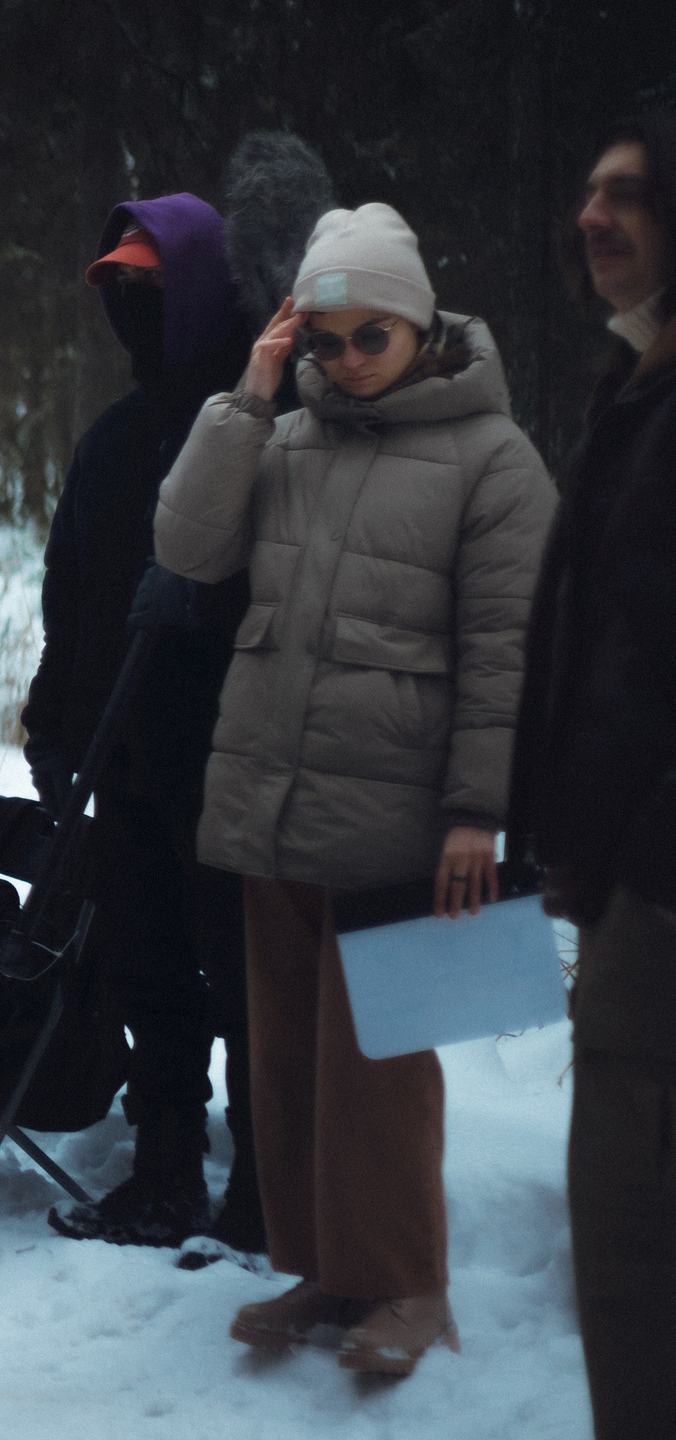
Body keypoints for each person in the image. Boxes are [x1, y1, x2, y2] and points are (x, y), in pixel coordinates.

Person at [155, 203, 555, 1375]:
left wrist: (476, 811)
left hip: (403, 810)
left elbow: (506, 654)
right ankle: (325, 1272)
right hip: (277, 796)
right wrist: (247, 394)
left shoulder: (495, 460)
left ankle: (409, 1286)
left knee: (381, 1067)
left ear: (418, 327)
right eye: (320, 340)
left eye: (362, 338)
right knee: (284, 1058)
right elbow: (184, 550)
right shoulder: (284, 440)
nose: (339, 362)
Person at [23, 193, 261, 1252]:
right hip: (116, 751)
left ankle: (262, 1178)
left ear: (203, 288)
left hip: (228, 750)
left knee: (242, 975)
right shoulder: (113, 439)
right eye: (118, 289)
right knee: (143, 969)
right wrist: (51, 723)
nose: (131, 307)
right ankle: (163, 1165)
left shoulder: (266, 417)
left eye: (151, 288)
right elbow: (69, 590)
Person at [508, 109, 676, 1440]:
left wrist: (623, 844)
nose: (591, 216)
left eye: (627, 195)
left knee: (630, 1244)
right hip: (628, 874)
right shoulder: (634, 382)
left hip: (664, 886)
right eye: (587, 191)